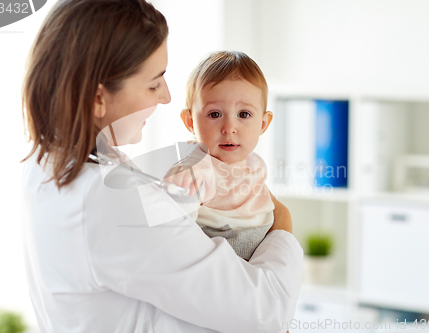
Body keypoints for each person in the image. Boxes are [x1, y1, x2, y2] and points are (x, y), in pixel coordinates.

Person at [21, 0, 303, 332]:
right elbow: (263, 312)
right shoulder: (110, 199)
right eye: (154, 83)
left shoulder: (47, 162)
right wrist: (282, 224)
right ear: (99, 97)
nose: (166, 96)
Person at [165, 51, 276, 261]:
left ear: (263, 124)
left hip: (258, 252)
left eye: (244, 114)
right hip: (218, 255)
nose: (229, 128)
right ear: (190, 122)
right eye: (215, 114)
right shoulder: (196, 167)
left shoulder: (254, 163)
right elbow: (175, 237)